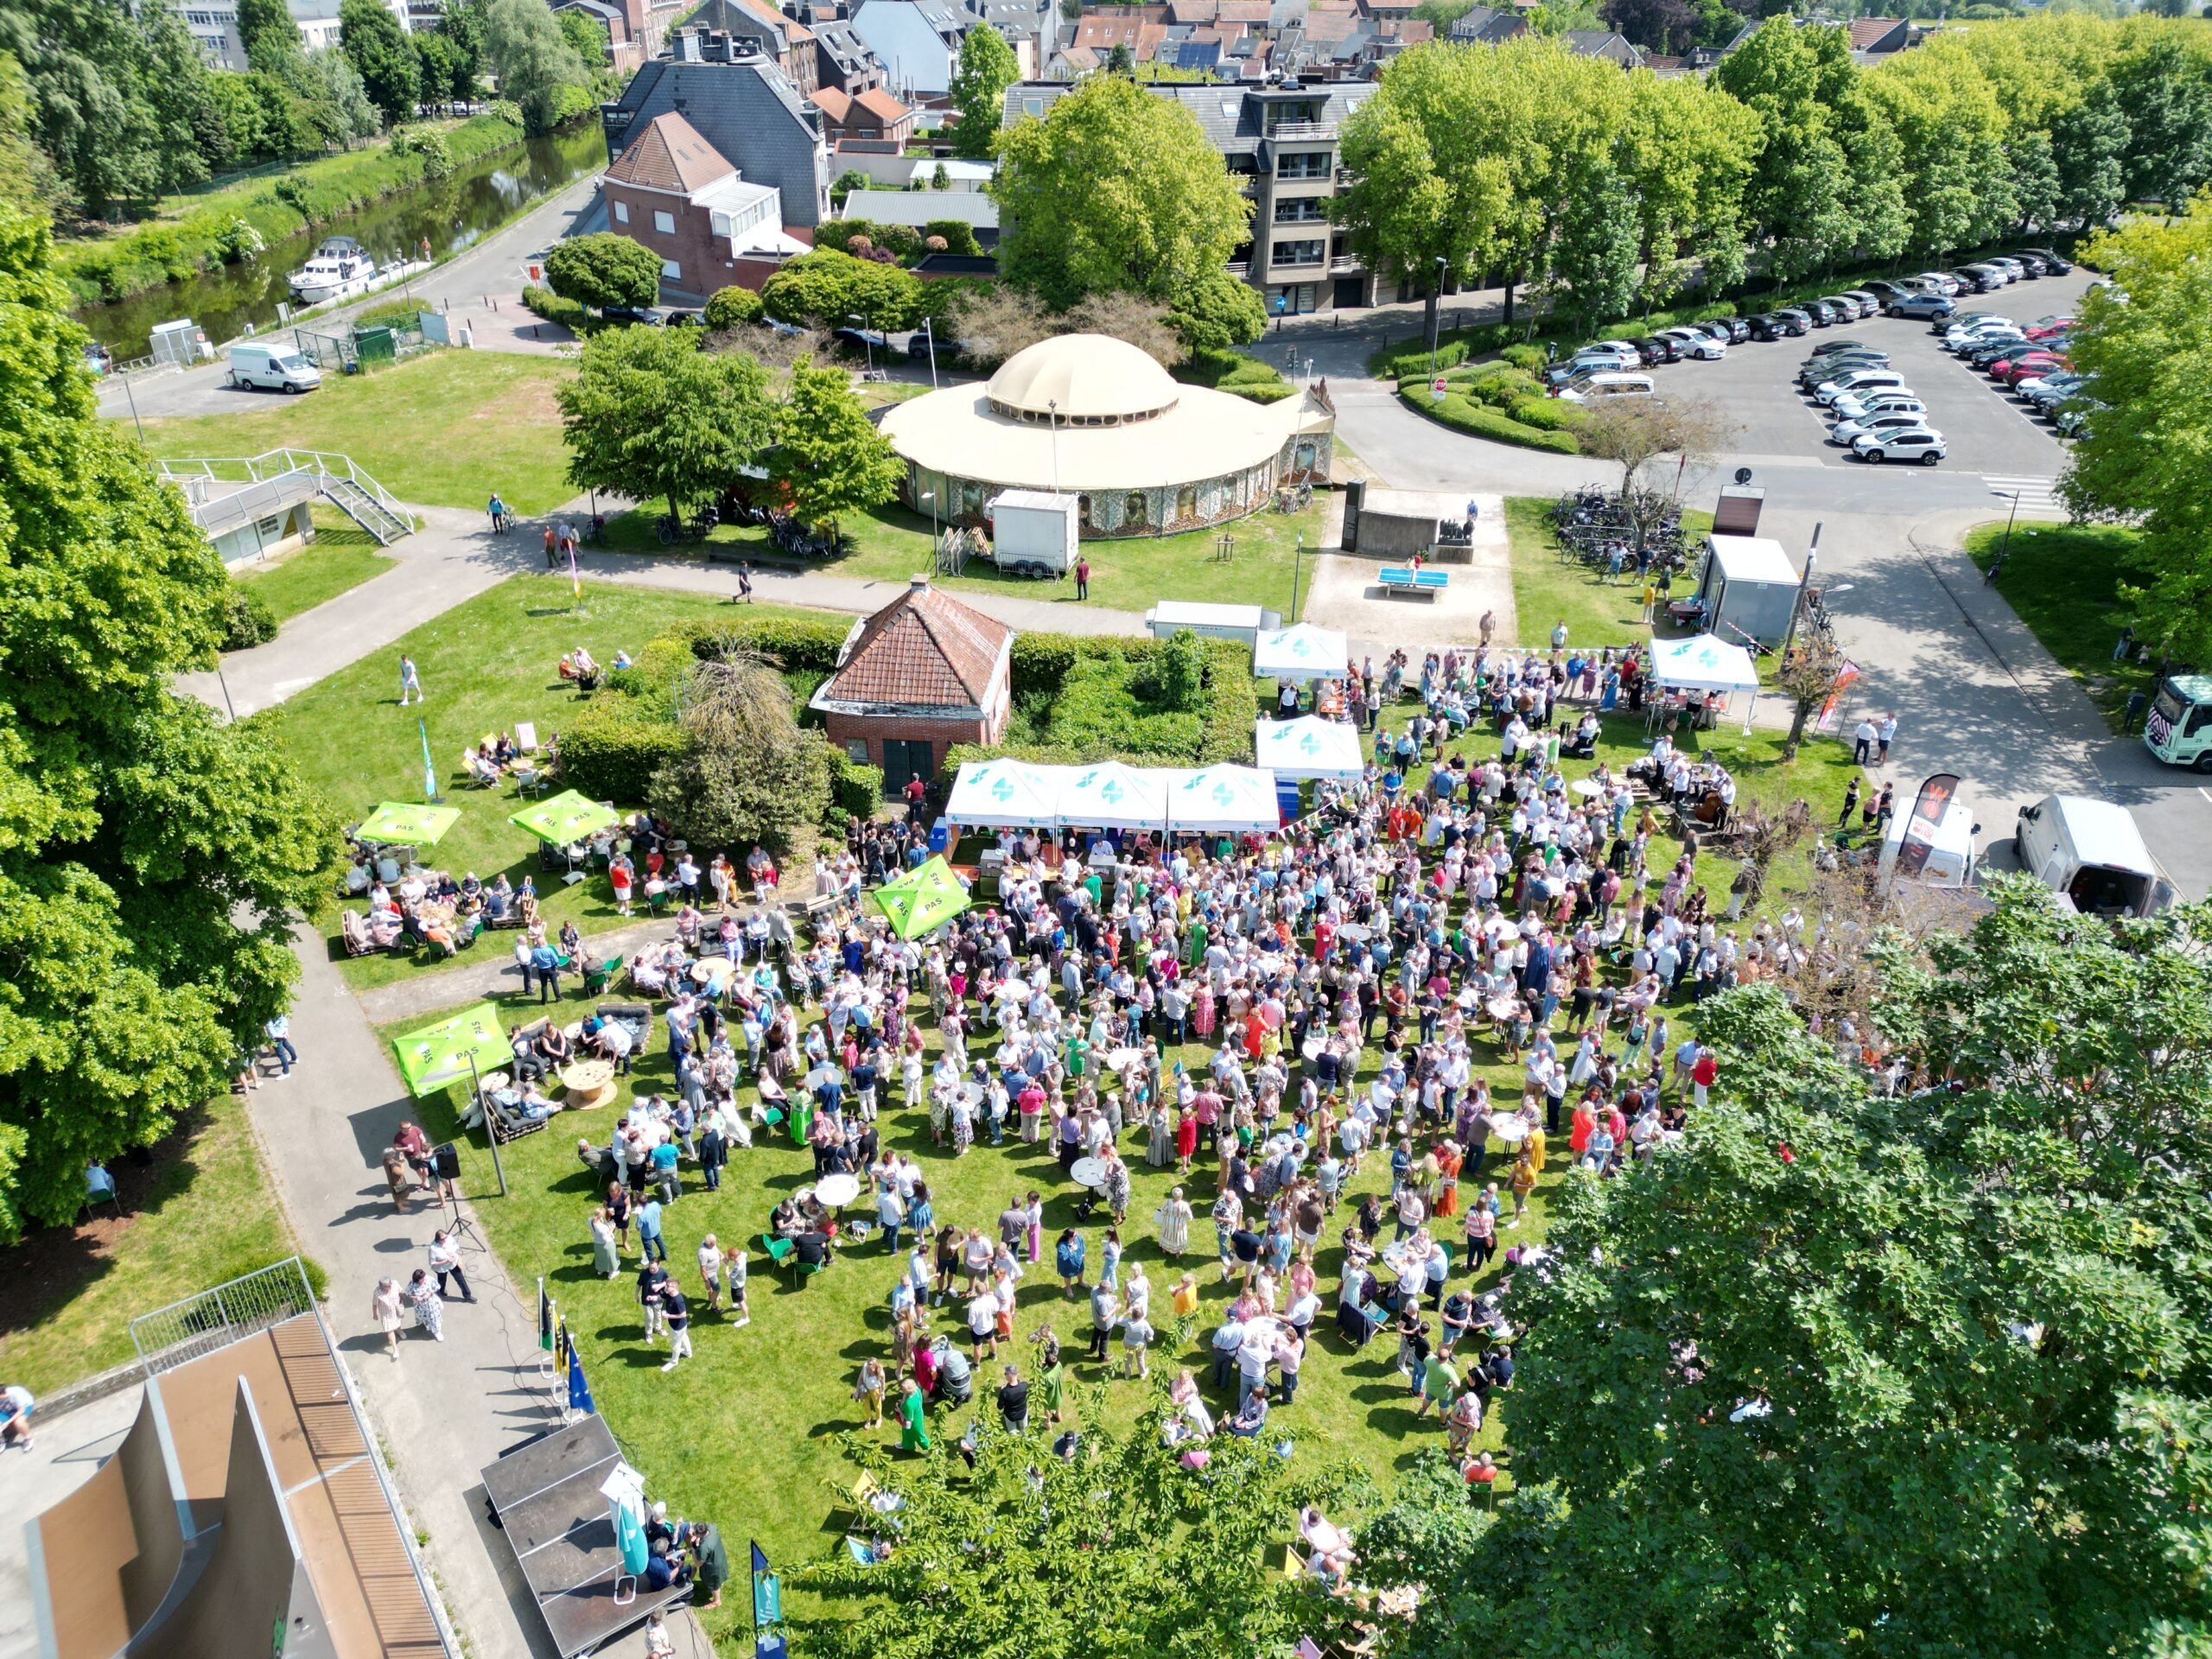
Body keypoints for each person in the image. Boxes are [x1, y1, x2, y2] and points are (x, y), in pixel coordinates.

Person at [689, 1522, 730, 1610]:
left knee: (714, 1584)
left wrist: (693, 1549)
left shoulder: (705, 1547)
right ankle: (719, 1583)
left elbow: (698, 1563)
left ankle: (716, 1601)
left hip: (712, 1567)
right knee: (719, 1577)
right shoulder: (712, 1528)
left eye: (695, 1533)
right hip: (719, 1556)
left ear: (700, 1534)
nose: (693, 1535)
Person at [429, 1228, 472, 1302]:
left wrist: (457, 1258)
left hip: (453, 1264)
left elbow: (455, 1248)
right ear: (438, 1239)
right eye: (442, 1239)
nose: (445, 1240)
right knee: (441, 1281)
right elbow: (432, 1263)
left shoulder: (449, 1238)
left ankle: (468, 1296)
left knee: (461, 1280)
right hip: (442, 1267)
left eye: (446, 1237)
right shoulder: (433, 1248)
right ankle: (441, 1291)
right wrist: (445, 1261)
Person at [403, 1268, 443, 1342]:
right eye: (422, 1279)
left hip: (431, 1304)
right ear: (417, 1279)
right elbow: (408, 1294)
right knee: (423, 1317)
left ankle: (437, 1332)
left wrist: (430, 1293)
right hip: (420, 1306)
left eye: (424, 1277)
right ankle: (425, 1324)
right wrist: (417, 1298)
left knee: (434, 1318)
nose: (425, 1279)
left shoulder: (430, 1279)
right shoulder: (412, 1284)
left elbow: (437, 1287)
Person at [372, 1278, 406, 1359]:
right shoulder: (377, 1292)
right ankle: (395, 1349)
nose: (389, 1288)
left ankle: (399, 1331)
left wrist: (403, 1302)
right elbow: (374, 1304)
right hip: (386, 1314)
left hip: (396, 1309)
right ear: (382, 1287)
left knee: (398, 1322)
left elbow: (400, 1292)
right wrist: (375, 1314)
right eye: (387, 1287)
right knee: (389, 1330)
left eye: (390, 1286)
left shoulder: (395, 1283)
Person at [661, 1285, 693, 1371]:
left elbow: (683, 1314)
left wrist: (668, 1316)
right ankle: (688, 1353)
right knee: (684, 1337)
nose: (666, 1287)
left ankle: (674, 1361)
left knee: (676, 1345)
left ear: (675, 1288)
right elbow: (662, 1295)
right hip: (680, 1325)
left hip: (678, 1326)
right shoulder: (670, 1295)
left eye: (668, 1286)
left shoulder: (678, 1300)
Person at [854, 1357, 888, 1428]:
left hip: (875, 1390)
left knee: (877, 1405)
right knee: (866, 1405)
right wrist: (857, 1391)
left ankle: (879, 1419)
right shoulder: (865, 1366)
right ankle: (869, 1419)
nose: (869, 1371)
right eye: (868, 1369)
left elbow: (883, 1383)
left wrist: (882, 1393)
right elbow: (860, 1378)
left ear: (876, 1367)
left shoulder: (880, 1372)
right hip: (865, 1388)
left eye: (871, 1369)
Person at [899, 1378, 930, 1452]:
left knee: (919, 1436)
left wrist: (899, 1411)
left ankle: (929, 1448)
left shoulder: (909, 1403)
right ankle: (907, 1445)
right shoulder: (917, 1390)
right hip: (918, 1414)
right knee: (906, 1433)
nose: (902, 1390)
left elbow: (909, 1419)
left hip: (914, 1424)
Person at [997, 1363, 1031, 1431]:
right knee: (1024, 1430)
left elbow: (999, 1407)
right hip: (1022, 1414)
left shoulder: (1005, 1392)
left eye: (1005, 1373)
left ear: (1010, 1375)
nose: (1005, 1375)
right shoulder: (1025, 1386)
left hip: (1010, 1416)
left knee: (1012, 1434)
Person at [264, 1012, 296, 1077]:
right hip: (283, 1033)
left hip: (277, 1038)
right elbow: (285, 1020)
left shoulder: (268, 1019)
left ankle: (286, 1072)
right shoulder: (280, 1012)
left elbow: (273, 1034)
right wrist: (286, 1032)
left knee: (281, 1054)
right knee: (288, 1046)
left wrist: (283, 1036)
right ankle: (294, 1058)